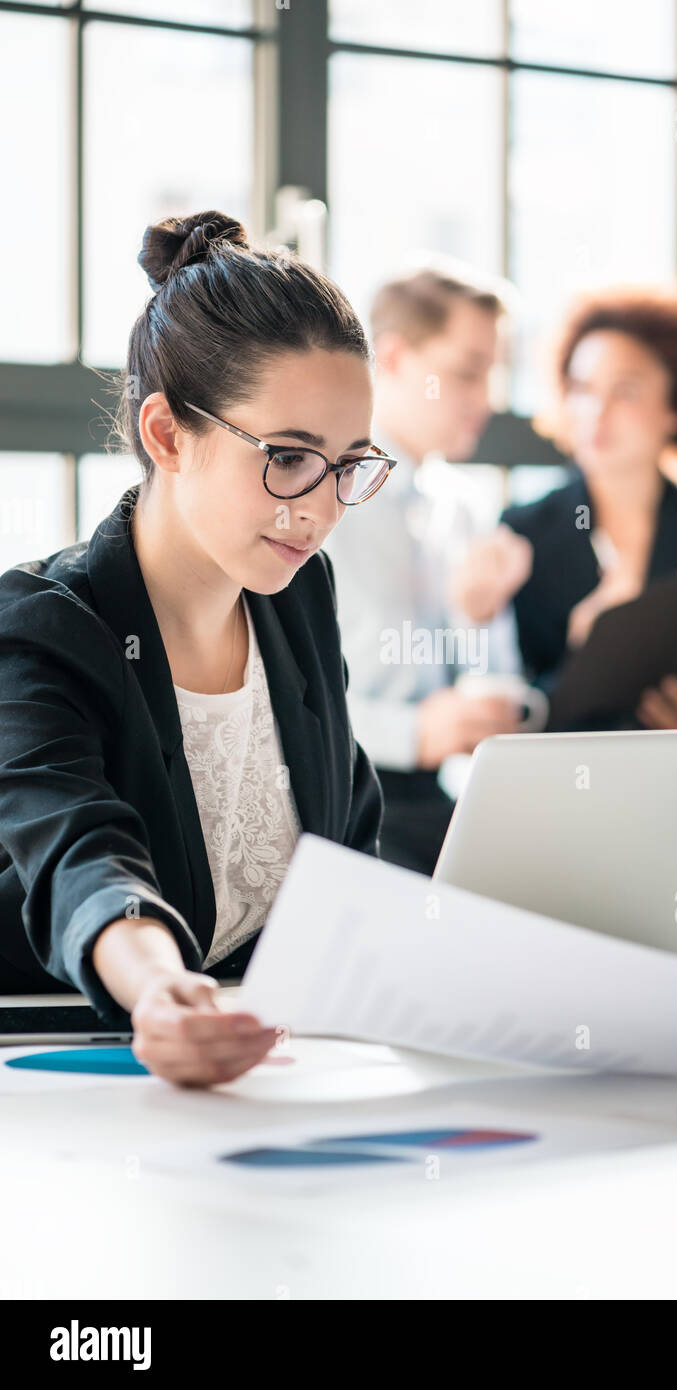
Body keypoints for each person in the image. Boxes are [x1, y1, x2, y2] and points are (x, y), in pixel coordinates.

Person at [0, 210, 394, 1088]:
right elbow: (79, 855)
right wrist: (157, 989)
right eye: (288, 457)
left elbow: (347, 846)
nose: (319, 510)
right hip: (54, 1072)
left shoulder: (297, 600)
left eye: (348, 465)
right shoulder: (40, 625)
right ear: (168, 434)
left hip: (259, 1075)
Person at [323, 259, 533, 875]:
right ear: (392, 358)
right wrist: (413, 732)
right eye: (468, 372)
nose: (487, 398)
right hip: (341, 798)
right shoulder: (323, 501)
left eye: (494, 374)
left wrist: (479, 620)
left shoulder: (467, 510)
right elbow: (282, 702)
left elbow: (497, 688)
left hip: (440, 800)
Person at [492, 285, 677, 730]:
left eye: (626, 391)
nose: (596, 412)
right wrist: (586, 655)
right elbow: (510, 721)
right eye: (583, 388)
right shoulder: (521, 534)